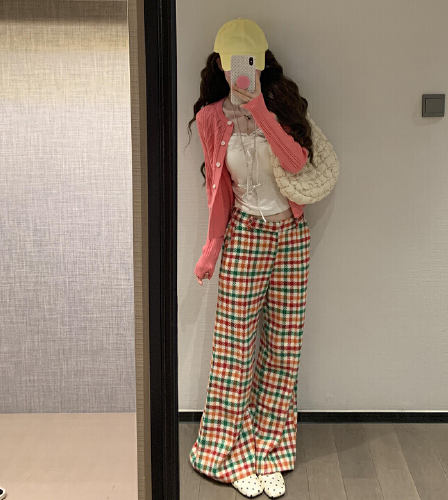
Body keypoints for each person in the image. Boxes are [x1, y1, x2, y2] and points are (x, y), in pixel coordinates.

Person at [187, 18, 313, 499]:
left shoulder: (281, 105)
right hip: (245, 236)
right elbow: (218, 191)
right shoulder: (210, 118)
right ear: (221, 64)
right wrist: (210, 250)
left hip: (291, 239)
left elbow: (297, 163)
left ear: (262, 62)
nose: (242, 69)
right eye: (233, 61)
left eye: (251, 60)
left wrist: (260, 109)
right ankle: (232, 453)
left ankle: (270, 452)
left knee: (283, 348)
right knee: (234, 350)